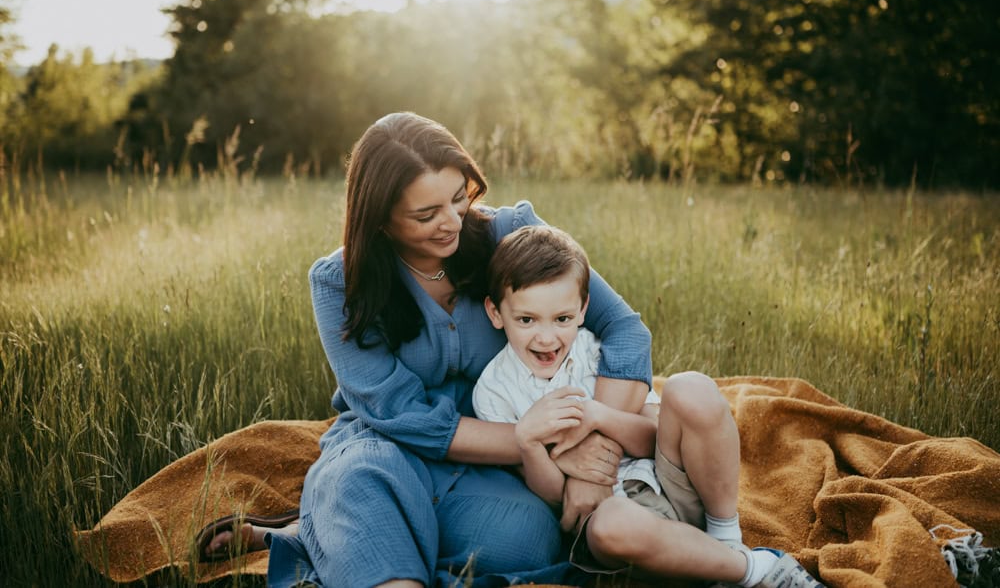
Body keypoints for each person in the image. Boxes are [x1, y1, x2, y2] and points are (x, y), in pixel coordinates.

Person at [196, 111, 733, 587]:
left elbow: (623, 330)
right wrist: (533, 441)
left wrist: (592, 455)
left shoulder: (511, 232)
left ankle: (316, 532)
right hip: (393, 445)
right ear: (378, 216)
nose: (452, 221)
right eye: (426, 214)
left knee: (527, 542)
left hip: (517, 458)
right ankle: (331, 527)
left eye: (459, 198)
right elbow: (397, 413)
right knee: (361, 484)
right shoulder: (340, 281)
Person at [472, 224, 824, 587]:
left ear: (582, 310)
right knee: (613, 525)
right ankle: (752, 569)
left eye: (562, 319)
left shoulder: (594, 352)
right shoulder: (494, 391)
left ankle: (726, 538)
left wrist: (599, 416)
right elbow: (553, 498)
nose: (546, 337)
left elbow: (650, 437)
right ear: (496, 313)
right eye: (526, 320)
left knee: (691, 388)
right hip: (613, 520)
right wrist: (528, 443)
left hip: (669, 483)